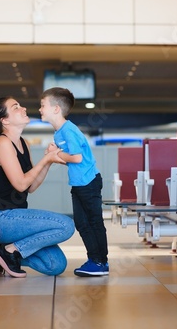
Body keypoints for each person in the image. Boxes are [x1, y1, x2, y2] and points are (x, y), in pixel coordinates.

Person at [0, 96, 75, 278]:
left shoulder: (23, 143)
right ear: (5, 120)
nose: (23, 108)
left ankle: (0, 255)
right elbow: (20, 184)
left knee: (56, 265)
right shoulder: (1, 143)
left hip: (18, 220)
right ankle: (9, 252)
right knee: (66, 225)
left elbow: (31, 186)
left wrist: (48, 161)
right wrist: (45, 160)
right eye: (15, 106)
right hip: (2, 218)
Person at [39, 87, 109, 277]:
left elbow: (76, 158)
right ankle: (95, 259)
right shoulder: (58, 133)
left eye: (43, 105)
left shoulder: (69, 130)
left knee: (93, 222)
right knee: (82, 223)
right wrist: (54, 156)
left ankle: (100, 262)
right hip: (79, 183)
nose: (40, 109)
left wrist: (57, 154)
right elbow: (69, 160)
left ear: (56, 109)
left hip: (89, 183)